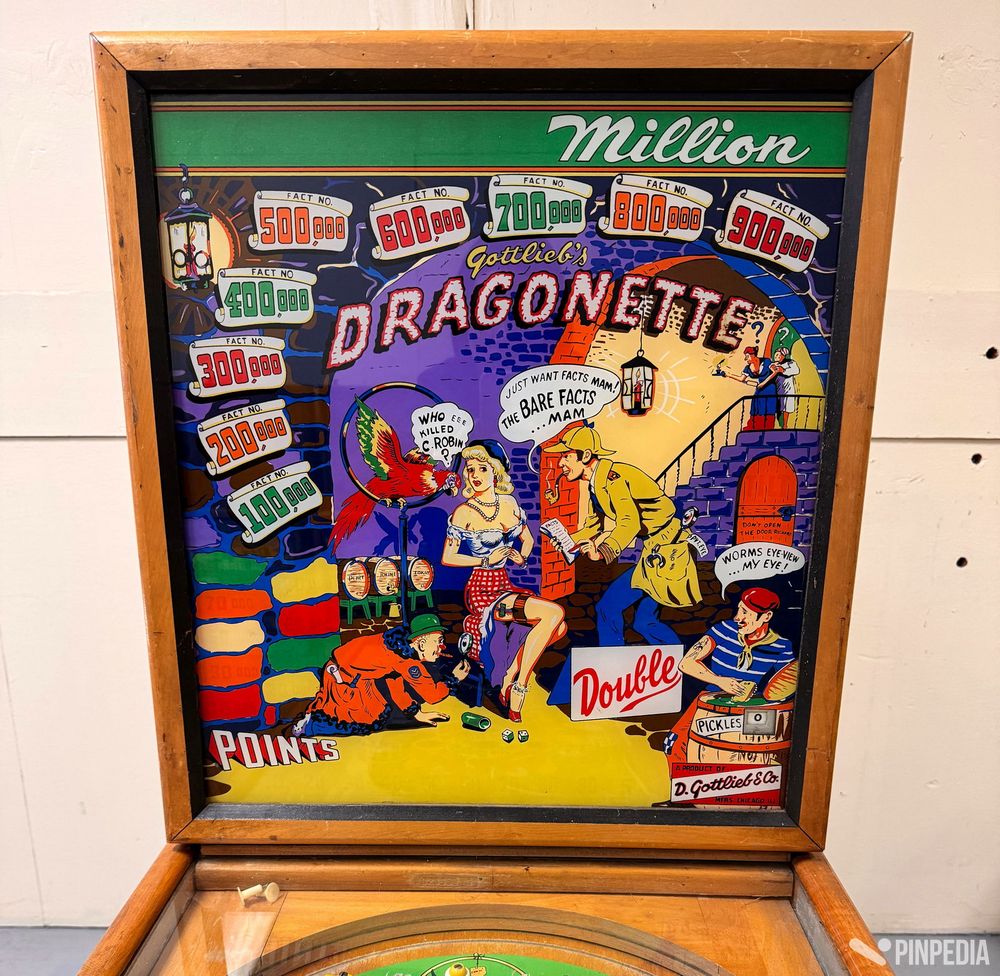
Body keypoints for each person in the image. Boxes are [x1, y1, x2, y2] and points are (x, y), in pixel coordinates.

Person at [441, 439, 566, 722]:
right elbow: (448, 557)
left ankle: (509, 676)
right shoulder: (464, 512)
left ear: (495, 472)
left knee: (559, 627)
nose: (475, 475)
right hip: (481, 589)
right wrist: (486, 559)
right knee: (554, 613)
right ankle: (519, 685)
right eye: (470, 469)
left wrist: (521, 557)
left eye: (482, 468)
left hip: (504, 583)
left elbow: (527, 539)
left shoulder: (509, 504)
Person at [543, 425, 701, 648]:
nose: (561, 463)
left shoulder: (614, 479)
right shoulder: (596, 485)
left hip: (668, 551)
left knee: (614, 610)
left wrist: (602, 552)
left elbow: (630, 521)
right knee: (643, 621)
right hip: (656, 550)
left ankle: (618, 658)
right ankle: (674, 661)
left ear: (585, 456)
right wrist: (568, 541)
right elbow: (593, 526)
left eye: (566, 456)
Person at [292, 613, 470, 736]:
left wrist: (417, 714)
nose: (441, 647)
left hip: (355, 677)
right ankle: (311, 726)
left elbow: (395, 684)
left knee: (379, 712)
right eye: (438, 641)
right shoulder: (406, 661)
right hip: (343, 682)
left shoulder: (399, 648)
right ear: (421, 643)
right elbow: (433, 695)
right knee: (363, 724)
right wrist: (454, 679)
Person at [678, 587, 795, 700]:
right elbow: (686, 663)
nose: (737, 618)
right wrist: (719, 681)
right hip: (710, 698)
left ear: (766, 616)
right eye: (739, 609)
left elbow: (786, 684)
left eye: (744, 612)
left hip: (750, 704)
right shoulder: (724, 629)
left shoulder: (782, 646)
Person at [764, 347, 800, 429]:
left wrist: (783, 371)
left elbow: (796, 370)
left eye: (779, 355)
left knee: (786, 407)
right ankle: (775, 425)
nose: (777, 357)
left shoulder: (790, 363)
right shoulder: (772, 365)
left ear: (783, 356)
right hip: (777, 388)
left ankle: (785, 425)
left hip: (787, 389)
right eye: (776, 355)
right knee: (777, 406)